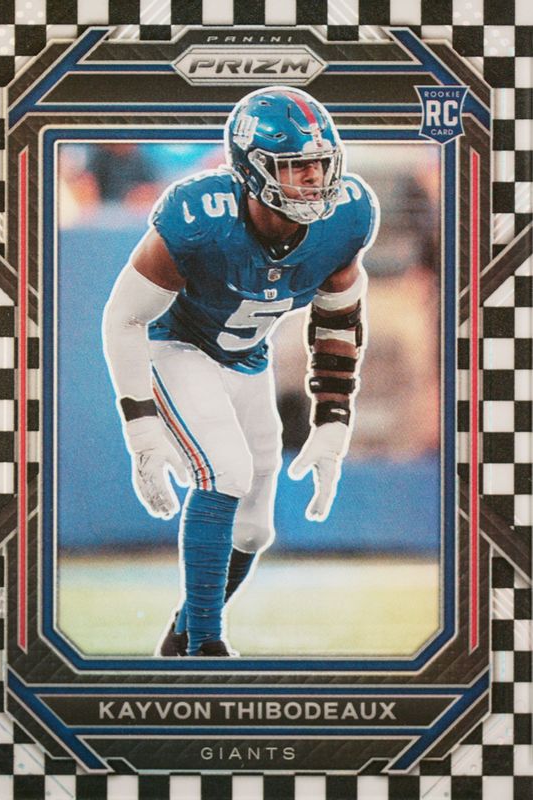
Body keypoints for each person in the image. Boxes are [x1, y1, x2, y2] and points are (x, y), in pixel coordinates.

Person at [102, 86, 378, 657]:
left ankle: (181, 635)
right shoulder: (199, 217)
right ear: (252, 169)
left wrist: (333, 418)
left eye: (320, 162)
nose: (314, 178)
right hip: (177, 346)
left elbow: (338, 316)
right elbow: (123, 318)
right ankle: (206, 647)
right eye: (296, 165)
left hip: (248, 358)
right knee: (225, 473)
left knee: (254, 531)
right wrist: (141, 427)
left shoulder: (347, 216)